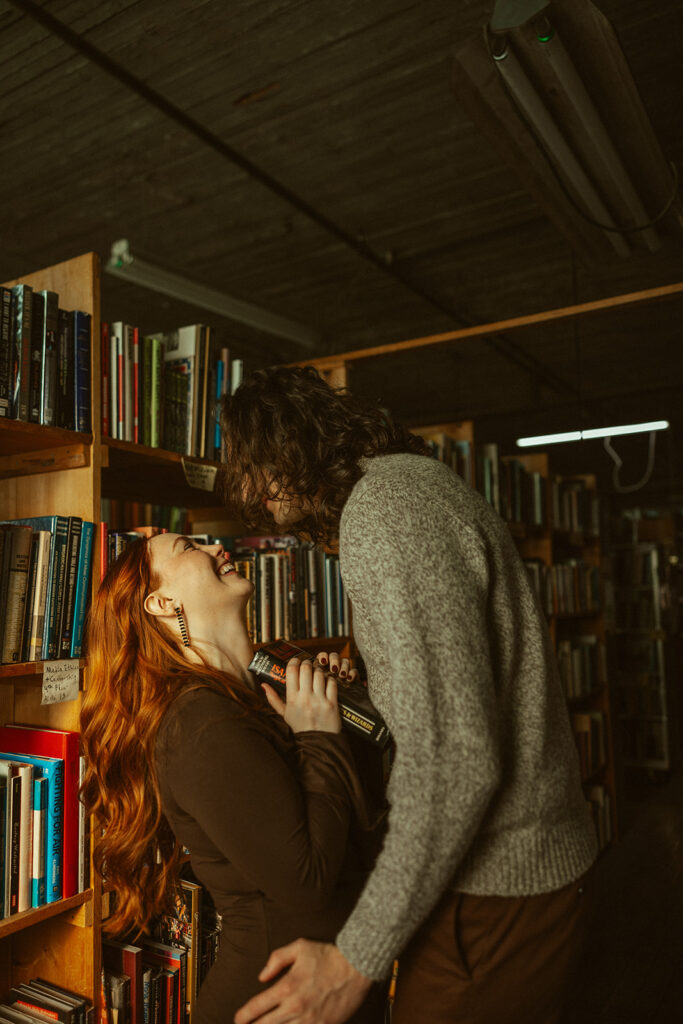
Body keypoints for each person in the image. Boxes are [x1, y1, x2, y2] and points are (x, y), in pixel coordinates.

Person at [218, 365, 599, 1024]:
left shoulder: (387, 512)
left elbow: (454, 760)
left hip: (496, 888)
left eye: (248, 465)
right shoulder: (409, 490)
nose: (251, 492)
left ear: (286, 447)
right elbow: (455, 695)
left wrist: (351, 962)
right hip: (502, 877)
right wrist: (368, 694)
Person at [80, 531, 386, 1024]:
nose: (218, 548)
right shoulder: (198, 722)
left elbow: (361, 831)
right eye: (189, 549)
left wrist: (344, 713)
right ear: (161, 602)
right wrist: (320, 736)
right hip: (275, 1002)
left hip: (332, 987)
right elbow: (307, 882)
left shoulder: (260, 695)